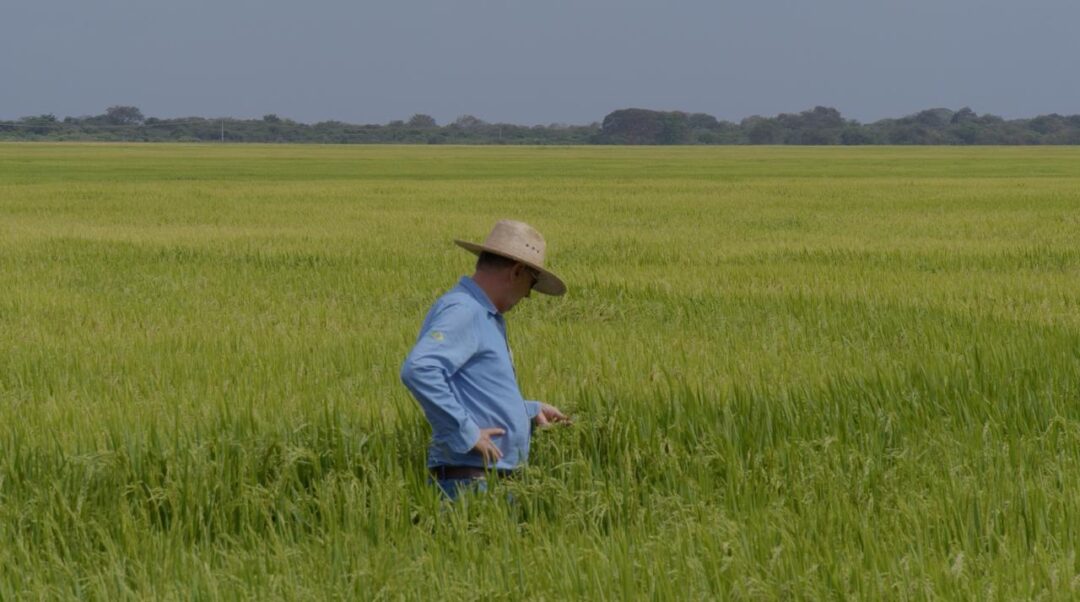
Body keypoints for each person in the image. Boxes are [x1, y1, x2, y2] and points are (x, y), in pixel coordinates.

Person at [401, 220, 570, 500]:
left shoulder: (483, 313)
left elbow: (474, 391)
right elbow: (419, 369)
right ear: (516, 272)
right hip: (469, 483)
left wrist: (528, 410)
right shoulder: (464, 310)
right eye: (531, 284)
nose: (527, 296)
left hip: (485, 480)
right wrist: (466, 433)